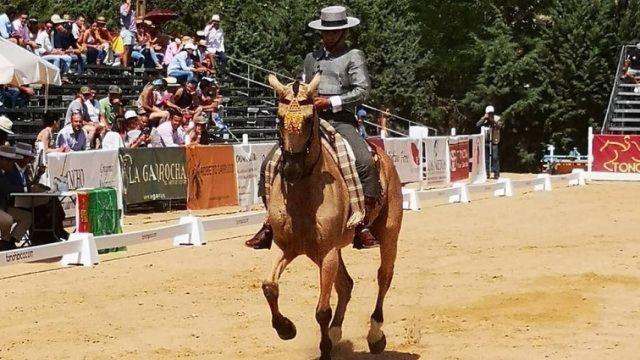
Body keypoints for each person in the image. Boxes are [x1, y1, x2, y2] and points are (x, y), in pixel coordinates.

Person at [246, 5, 379, 250]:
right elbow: (303, 87)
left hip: (340, 119)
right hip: (309, 119)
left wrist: (331, 101)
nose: (328, 36)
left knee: (363, 161)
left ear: (343, 32)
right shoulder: (311, 58)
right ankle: (269, 224)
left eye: (333, 31)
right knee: (270, 163)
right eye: (325, 32)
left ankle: (363, 223)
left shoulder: (353, 56)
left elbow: (363, 90)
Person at [0, 145, 28, 250]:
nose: (12, 164)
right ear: (2, 160)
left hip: (4, 207)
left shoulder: (4, 172)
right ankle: (4, 242)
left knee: (26, 216)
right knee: (7, 220)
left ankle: (10, 242)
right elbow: (6, 188)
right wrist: (24, 189)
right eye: (10, 161)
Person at [476, 105, 503, 180]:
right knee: (486, 158)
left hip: (494, 140)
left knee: (495, 157)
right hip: (486, 140)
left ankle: (496, 173)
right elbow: (477, 125)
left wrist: (493, 121)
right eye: (489, 113)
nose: (490, 114)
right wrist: (484, 118)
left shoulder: (497, 118)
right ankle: (487, 173)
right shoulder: (484, 119)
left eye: (491, 113)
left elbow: (500, 126)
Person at [120, 0, 137, 68]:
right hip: (126, 31)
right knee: (126, 50)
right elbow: (124, 14)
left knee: (130, 51)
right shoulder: (123, 7)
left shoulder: (133, 9)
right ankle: (125, 68)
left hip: (133, 31)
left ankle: (127, 66)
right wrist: (129, 5)